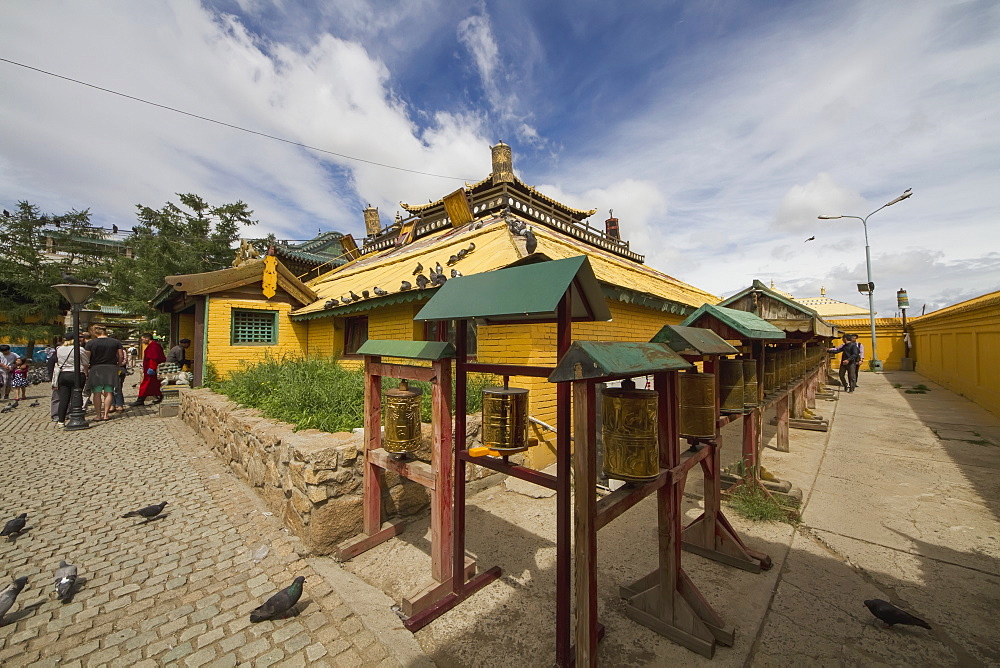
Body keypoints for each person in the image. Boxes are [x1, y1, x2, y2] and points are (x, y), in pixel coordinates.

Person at [84, 325, 125, 421]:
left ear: (95, 333)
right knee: (109, 392)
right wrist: (118, 365)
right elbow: (121, 356)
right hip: (111, 368)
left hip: (96, 368)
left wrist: (86, 370)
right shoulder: (116, 342)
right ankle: (106, 414)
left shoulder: (91, 343)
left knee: (97, 393)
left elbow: (86, 358)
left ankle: (98, 415)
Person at [53, 335, 90, 424]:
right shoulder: (79, 349)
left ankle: (61, 420)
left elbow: (58, 361)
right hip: (76, 374)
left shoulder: (59, 349)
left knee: (64, 398)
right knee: (76, 396)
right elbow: (86, 362)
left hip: (64, 374)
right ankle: (77, 417)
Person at [132, 332, 166, 406]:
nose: (142, 341)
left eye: (143, 339)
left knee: (146, 384)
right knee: (154, 385)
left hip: (152, 369)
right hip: (149, 368)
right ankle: (159, 397)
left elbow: (153, 358)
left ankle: (140, 400)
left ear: (147, 338)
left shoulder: (153, 346)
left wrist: (152, 368)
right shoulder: (152, 345)